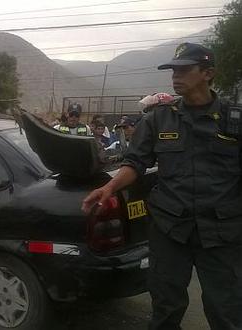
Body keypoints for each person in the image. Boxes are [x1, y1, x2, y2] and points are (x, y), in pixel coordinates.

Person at [82, 43, 242, 329]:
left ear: (208, 73)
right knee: (166, 308)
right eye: (173, 70)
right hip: (170, 230)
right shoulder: (158, 119)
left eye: (184, 69)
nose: (175, 76)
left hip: (222, 233)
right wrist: (110, 187)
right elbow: (135, 163)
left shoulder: (234, 121)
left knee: (226, 310)